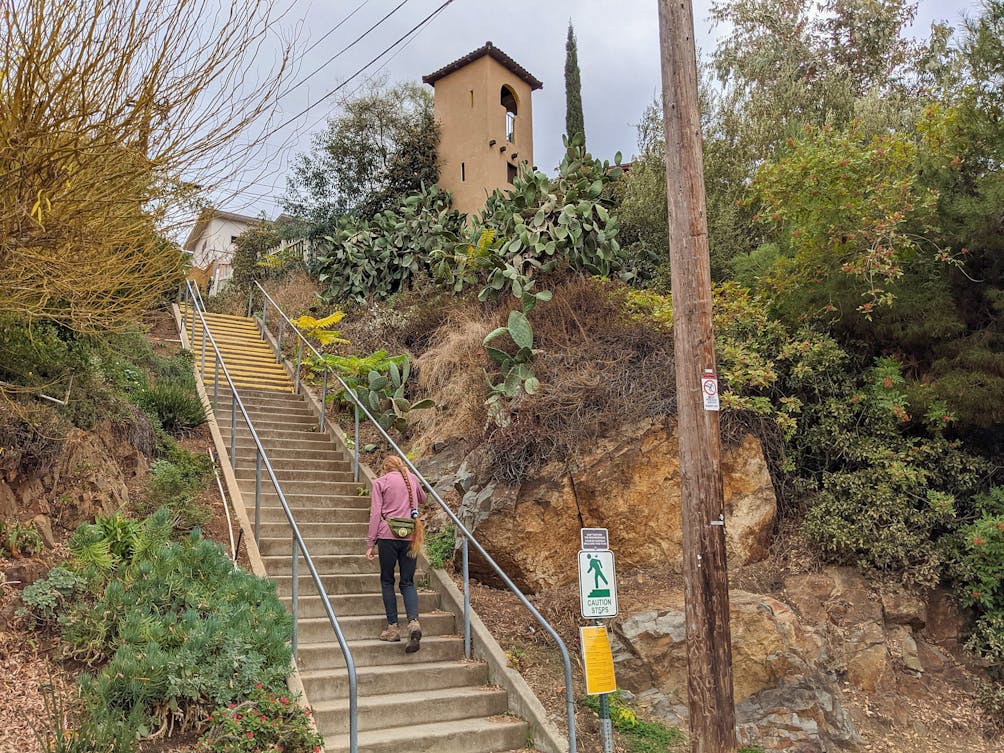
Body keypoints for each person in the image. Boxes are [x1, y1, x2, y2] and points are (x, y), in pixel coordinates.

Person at [366, 455, 426, 653]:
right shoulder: (412, 479)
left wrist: (370, 543)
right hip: (410, 536)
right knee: (407, 582)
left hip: (387, 536)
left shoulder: (380, 482)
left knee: (387, 580)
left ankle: (393, 628)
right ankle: (414, 622)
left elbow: (375, 514)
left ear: (385, 468)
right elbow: (423, 498)